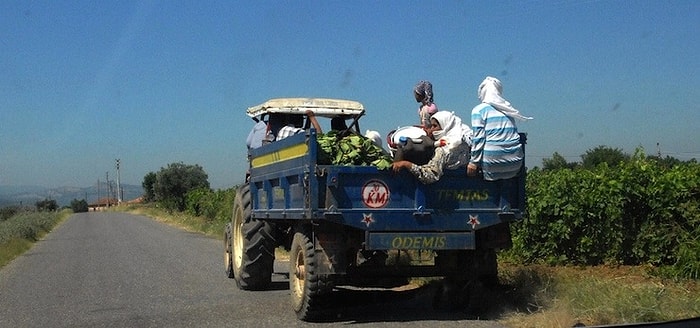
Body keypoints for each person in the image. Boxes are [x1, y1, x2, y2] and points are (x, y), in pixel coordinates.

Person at [467, 76, 532, 181]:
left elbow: (478, 139)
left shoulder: (479, 110)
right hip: (515, 162)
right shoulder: (508, 110)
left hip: (492, 163)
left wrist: (473, 163)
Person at [392, 111, 472, 184]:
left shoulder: (443, 150)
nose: (432, 129)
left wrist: (406, 164)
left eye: (435, 126)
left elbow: (431, 175)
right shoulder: (464, 145)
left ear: (445, 126)